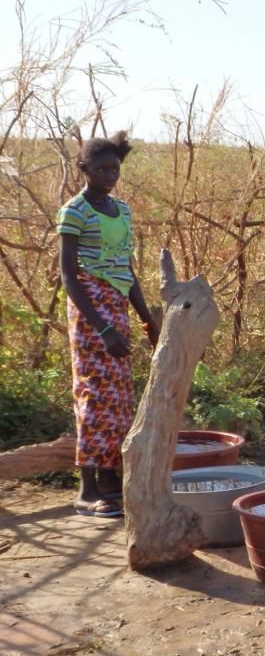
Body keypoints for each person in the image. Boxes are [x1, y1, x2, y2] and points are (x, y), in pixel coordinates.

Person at [58, 131, 159, 517]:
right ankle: (86, 490)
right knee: (93, 396)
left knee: (119, 398)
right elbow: (69, 275)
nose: (109, 175)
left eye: (114, 169)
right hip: (90, 312)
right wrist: (102, 328)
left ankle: (112, 481)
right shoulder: (74, 211)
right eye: (100, 169)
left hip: (116, 306)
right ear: (84, 169)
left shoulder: (122, 210)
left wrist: (147, 318)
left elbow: (126, 268)